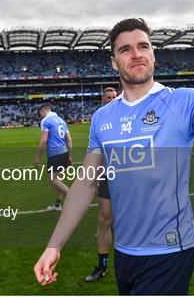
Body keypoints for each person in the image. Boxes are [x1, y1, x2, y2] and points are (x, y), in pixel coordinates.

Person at [34, 8, 194, 295]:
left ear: (153, 54)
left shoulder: (182, 102)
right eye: (126, 49)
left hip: (170, 249)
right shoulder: (103, 118)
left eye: (143, 46)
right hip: (125, 251)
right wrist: (54, 245)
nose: (137, 53)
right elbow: (85, 183)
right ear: (114, 63)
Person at [85, 87, 117, 282]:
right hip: (108, 174)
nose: (112, 99)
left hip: (132, 177)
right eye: (109, 97)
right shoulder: (99, 118)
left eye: (115, 96)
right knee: (104, 220)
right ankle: (103, 265)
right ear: (102, 99)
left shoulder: (130, 113)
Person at [33, 102, 73, 211]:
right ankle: (58, 204)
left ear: (43, 111)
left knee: (54, 180)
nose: (40, 116)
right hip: (64, 152)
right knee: (58, 180)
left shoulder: (46, 120)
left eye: (40, 114)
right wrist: (69, 156)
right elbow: (69, 139)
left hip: (55, 154)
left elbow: (44, 139)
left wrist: (38, 156)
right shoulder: (61, 121)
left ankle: (74, 200)